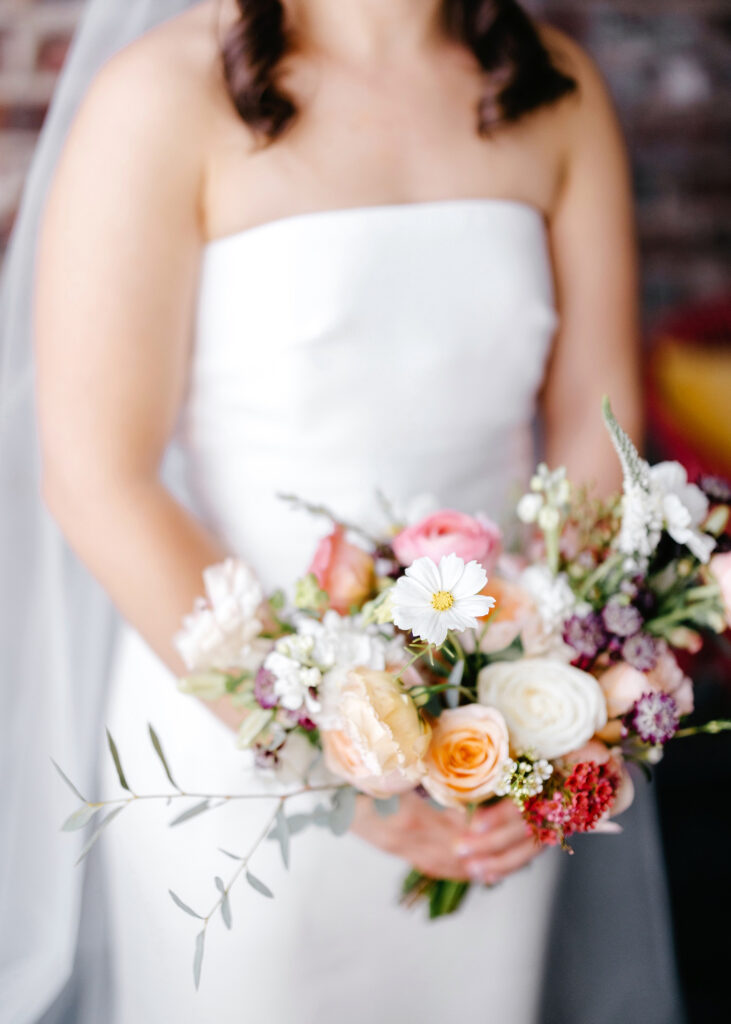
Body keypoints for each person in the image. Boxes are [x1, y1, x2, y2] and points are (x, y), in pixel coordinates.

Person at [2, 1, 684, 1022]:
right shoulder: (159, 95)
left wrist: (548, 703)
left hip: (486, 738)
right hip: (236, 734)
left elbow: (596, 424)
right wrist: (326, 753)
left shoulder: (555, 89)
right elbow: (100, 476)